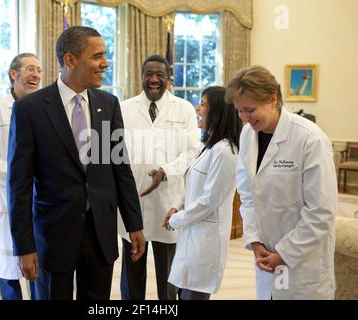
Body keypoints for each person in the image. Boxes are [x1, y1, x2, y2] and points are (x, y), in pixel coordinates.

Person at [7, 26, 146, 300]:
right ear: (70, 60)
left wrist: (135, 224)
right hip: (53, 237)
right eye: (97, 56)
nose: (105, 63)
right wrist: (24, 246)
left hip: (100, 236)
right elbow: (18, 185)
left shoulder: (108, 104)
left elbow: (121, 168)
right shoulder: (30, 109)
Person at [225, 65, 337, 300]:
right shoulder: (248, 135)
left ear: (272, 99)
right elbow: (247, 195)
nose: (245, 118)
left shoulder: (310, 139)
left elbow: (321, 212)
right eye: (239, 111)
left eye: (250, 110)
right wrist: (255, 241)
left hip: (303, 263)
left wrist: (284, 253)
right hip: (266, 256)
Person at [119, 55, 199, 300]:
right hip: (135, 201)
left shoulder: (183, 108)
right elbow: (116, 153)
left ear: (168, 79)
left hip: (169, 201)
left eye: (159, 75)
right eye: (148, 74)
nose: (154, 80)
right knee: (132, 272)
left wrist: (165, 171)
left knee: (169, 275)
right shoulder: (124, 108)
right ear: (141, 77)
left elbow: (191, 151)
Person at [163, 86, 242, 300]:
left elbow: (209, 201)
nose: (198, 108)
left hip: (206, 242)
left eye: (203, 104)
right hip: (192, 233)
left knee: (194, 294)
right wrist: (176, 206)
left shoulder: (226, 153)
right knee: (183, 290)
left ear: (217, 112)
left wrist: (177, 219)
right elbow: (190, 182)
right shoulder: (207, 146)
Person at [0, 53, 42, 300]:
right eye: (29, 69)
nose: (35, 74)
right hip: (8, 199)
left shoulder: (44, 109)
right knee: (8, 270)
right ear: (14, 74)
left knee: (38, 267)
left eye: (38, 69)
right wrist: (20, 175)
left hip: (40, 199)